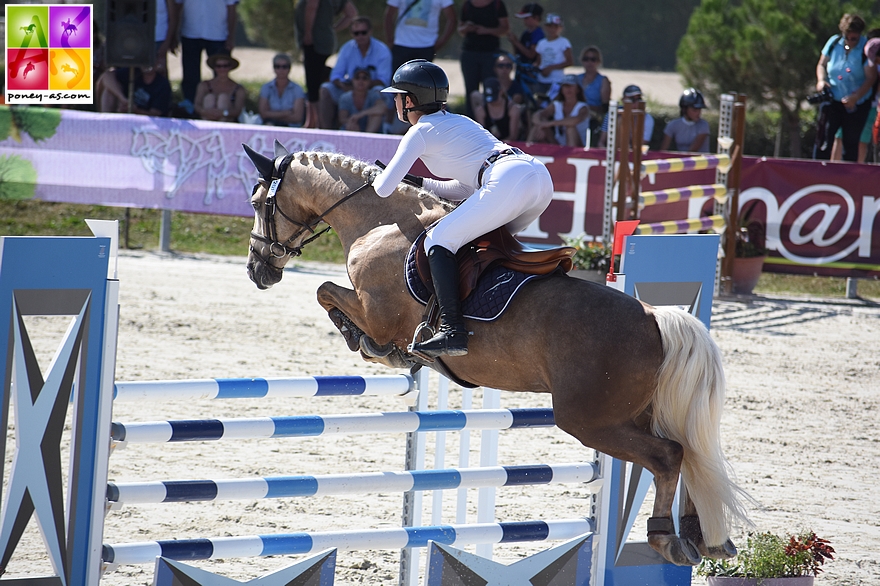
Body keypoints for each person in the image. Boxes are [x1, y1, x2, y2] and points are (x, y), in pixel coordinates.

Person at [373, 60, 553, 357]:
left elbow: (382, 189)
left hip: (506, 179)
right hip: (537, 178)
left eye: (396, 96)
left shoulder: (419, 132)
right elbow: (466, 189)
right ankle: (489, 312)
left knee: (438, 239)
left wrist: (376, 175)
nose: (394, 102)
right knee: (483, 245)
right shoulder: (461, 121)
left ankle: (453, 331)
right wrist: (419, 181)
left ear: (409, 100)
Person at [815, 13, 877, 162]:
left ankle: (847, 179)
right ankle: (817, 174)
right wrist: (821, 80)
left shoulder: (865, 48)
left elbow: (871, 77)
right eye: (847, 36)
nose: (850, 40)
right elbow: (821, 64)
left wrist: (856, 97)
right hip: (833, 101)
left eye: (854, 38)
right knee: (824, 141)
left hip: (856, 104)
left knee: (850, 144)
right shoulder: (834, 42)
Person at [319, 17, 392, 129]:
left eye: (363, 32)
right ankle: (326, 133)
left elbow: (383, 80)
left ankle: (372, 135)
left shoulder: (382, 50)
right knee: (326, 88)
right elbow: (336, 75)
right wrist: (344, 86)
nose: (360, 36)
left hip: (372, 91)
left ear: (370, 31)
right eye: (356, 33)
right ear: (352, 34)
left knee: (378, 92)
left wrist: (361, 86)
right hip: (349, 89)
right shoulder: (346, 48)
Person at [294, 0, 358, 128]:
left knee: (313, 81)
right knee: (317, 79)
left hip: (314, 41)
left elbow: (312, 6)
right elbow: (352, 14)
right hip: (325, 40)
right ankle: (315, 121)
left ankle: (314, 122)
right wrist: (331, 29)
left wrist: (308, 32)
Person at [173, 0, 238, 106]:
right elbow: (177, 6)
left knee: (221, 72)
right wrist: (174, 34)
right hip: (190, 32)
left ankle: (221, 106)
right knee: (190, 74)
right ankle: (191, 106)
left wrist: (231, 36)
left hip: (218, 34)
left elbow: (232, 8)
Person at [458, 0, 510, 118]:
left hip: (490, 53)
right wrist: (467, 28)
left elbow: (505, 29)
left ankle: (491, 121)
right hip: (469, 52)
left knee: (491, 87)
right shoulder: (467, 5)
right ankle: (471, 121)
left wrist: (486, 30)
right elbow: (460, 29)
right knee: (470, 89)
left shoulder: (497, 4)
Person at [384, 0, 457, 71]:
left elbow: (452, 18)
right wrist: (390, 40)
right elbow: (389, 15)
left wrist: (441, 42)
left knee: (422, 80)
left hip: (426, 45)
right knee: (398, 79)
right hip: (401, 44)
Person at [528, 74, 589, 146]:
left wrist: (549, 123)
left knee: (570, 129)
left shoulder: (583, 107)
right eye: (565, 86)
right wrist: (540, 125)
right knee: (539, 125)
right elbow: (538, 115)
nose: (568, 89)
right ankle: (526, 150)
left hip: (578, 147)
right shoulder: (556, 105)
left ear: (578, 89)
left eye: (571, 86)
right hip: (558, 144)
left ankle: (569, 155)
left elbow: (574, 120)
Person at [97, 65, 172, 116]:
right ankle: (105, 121)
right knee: (108, 91)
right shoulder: (133, 72)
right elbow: (106, 76)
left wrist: (134, 110)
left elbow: (155, 114)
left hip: (145, 123)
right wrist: (123, 99)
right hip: (122, 111)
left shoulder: (162, 84)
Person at [575, 45, 611, 146]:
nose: (589, 62)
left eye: (593, 59)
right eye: (586, 59)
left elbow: (604, 107)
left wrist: (586, 108)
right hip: (574, 113)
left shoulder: (603, 81)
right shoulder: (576, 79)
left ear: (598, 62)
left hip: (593, 116)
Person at [597, 84, 654, 149]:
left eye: (639, 99)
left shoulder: (647, 118)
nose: (636, 103)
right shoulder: (612, 114)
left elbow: (642, 144)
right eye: (632, 99)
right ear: (623, 100)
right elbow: (601, 142)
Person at [193, 53, 246, 122]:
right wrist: (206, 112)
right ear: (214, 67)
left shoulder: (239, 89)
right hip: (206, 118)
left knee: (223, 98)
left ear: (230, 67)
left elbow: (238, 110)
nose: (222, 69)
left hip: (227, 121)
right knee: (210, 98)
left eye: (225, 66)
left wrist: (223, 113)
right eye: (218, 66)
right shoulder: (204, 85)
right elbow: (197, 105)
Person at [258, 53, 307, 127]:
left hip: (291, 129)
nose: (281, 70)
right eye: (277, 66)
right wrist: (286, 113)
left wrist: (272, 115)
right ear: (273, 68)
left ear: (289, 68)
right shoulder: (266, 88)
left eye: (284, 67)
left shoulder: (297, 89)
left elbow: (297, 117)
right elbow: (263, 114)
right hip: (271, 126)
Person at [470, 77, 521, 141]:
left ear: (501, 92)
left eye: (494, 98)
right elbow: (481, 137)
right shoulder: (481, 110)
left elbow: (513, 137)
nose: (492, 102)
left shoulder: (512, 109)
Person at [338, 67, 387, 132]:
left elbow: (382, 108)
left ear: (370, 81)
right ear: (352, 80)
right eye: (357, 77)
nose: (360, 81)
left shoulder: (373, 95)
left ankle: (367, 138)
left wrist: (360, 114)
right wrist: (352, 123)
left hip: (370, 130)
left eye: (364, 78)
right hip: (351, 129)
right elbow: (342, 119)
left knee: (376, 115)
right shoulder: (345, 97)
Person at [660, 88, 710, 153]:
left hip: (700, 161)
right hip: (681, 161)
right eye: (694, 110)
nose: (698, 113)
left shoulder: (703, 125)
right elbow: (663, 150)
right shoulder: (673, 125)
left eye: (700, 110)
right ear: (684, 109)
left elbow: (692, 151)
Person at [532, 13, 572, 93]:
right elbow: (539, 61)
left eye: (556, 27)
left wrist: (551, 68)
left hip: (557, 80)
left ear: (560, 28)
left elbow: (569, 61)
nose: (552, 29)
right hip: (542, 80)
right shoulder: (541, 43)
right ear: (545, 27)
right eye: (550, 26)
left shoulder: (564, 42)